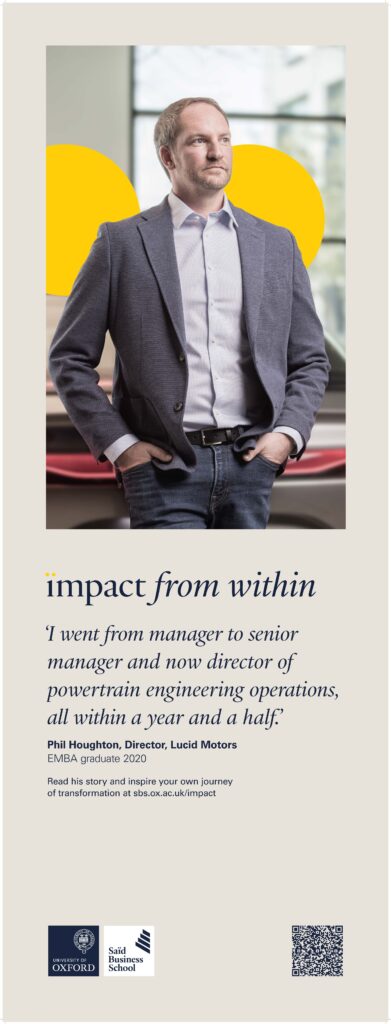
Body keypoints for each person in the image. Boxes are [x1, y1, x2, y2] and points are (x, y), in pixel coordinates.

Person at [49, 96, 329, 529]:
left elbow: (310, 358)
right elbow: (68, 359)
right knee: (177, 594)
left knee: (246, 595)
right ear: (167, 156)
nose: (217, 152)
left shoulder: (277, 244)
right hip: (162, 471)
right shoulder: (119, 244)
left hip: (252, 463)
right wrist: (121, 446)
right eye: (199, 140)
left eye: (224, 139)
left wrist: (285, 437)